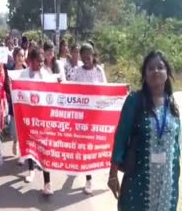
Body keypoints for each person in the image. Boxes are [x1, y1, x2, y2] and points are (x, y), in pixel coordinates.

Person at [108, 51, 180, 211]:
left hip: (167, 185)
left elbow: (176, 148)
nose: (156, 71)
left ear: (167, 73)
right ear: (145, 75)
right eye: (151, 68)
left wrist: (176, 178)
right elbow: (120, 138)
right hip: (138, 181)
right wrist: (113, 174)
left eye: (160, 67)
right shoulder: (135, 101)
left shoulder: (171, 104)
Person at [67, 43, 107, 194]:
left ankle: (92, 175)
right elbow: (69, 89)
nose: (86, 59)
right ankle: (87, 178)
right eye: (83, 57)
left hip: (95, 116)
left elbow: (106, 91)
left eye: (88, 56)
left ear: (93, 55)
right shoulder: (76, 71)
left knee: (91, 147)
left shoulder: (99, 71)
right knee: (82, 145)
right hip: (81, 115)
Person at [19, 47, 58, 195]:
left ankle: (47, 183)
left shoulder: (46, 74)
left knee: (44, 149)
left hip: (43, 119)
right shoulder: (23, 75)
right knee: (30, 145)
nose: (41, 64)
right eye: (38, 61)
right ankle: (31, 170)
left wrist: (59, 82)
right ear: (31, 61)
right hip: (29, 118)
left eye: (42, 62)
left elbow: (54, 89)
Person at [3, 47, 26, 165]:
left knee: (24, 129)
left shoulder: (27, 70)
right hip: (13, 104)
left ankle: (22, 154)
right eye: (18, 56)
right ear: (15, 56)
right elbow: (5, 88)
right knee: (14, 130)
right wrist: (7, 84)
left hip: (25, 105)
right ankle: (15, 141)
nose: (20, 58)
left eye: (22, 56)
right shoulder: (9, 70)